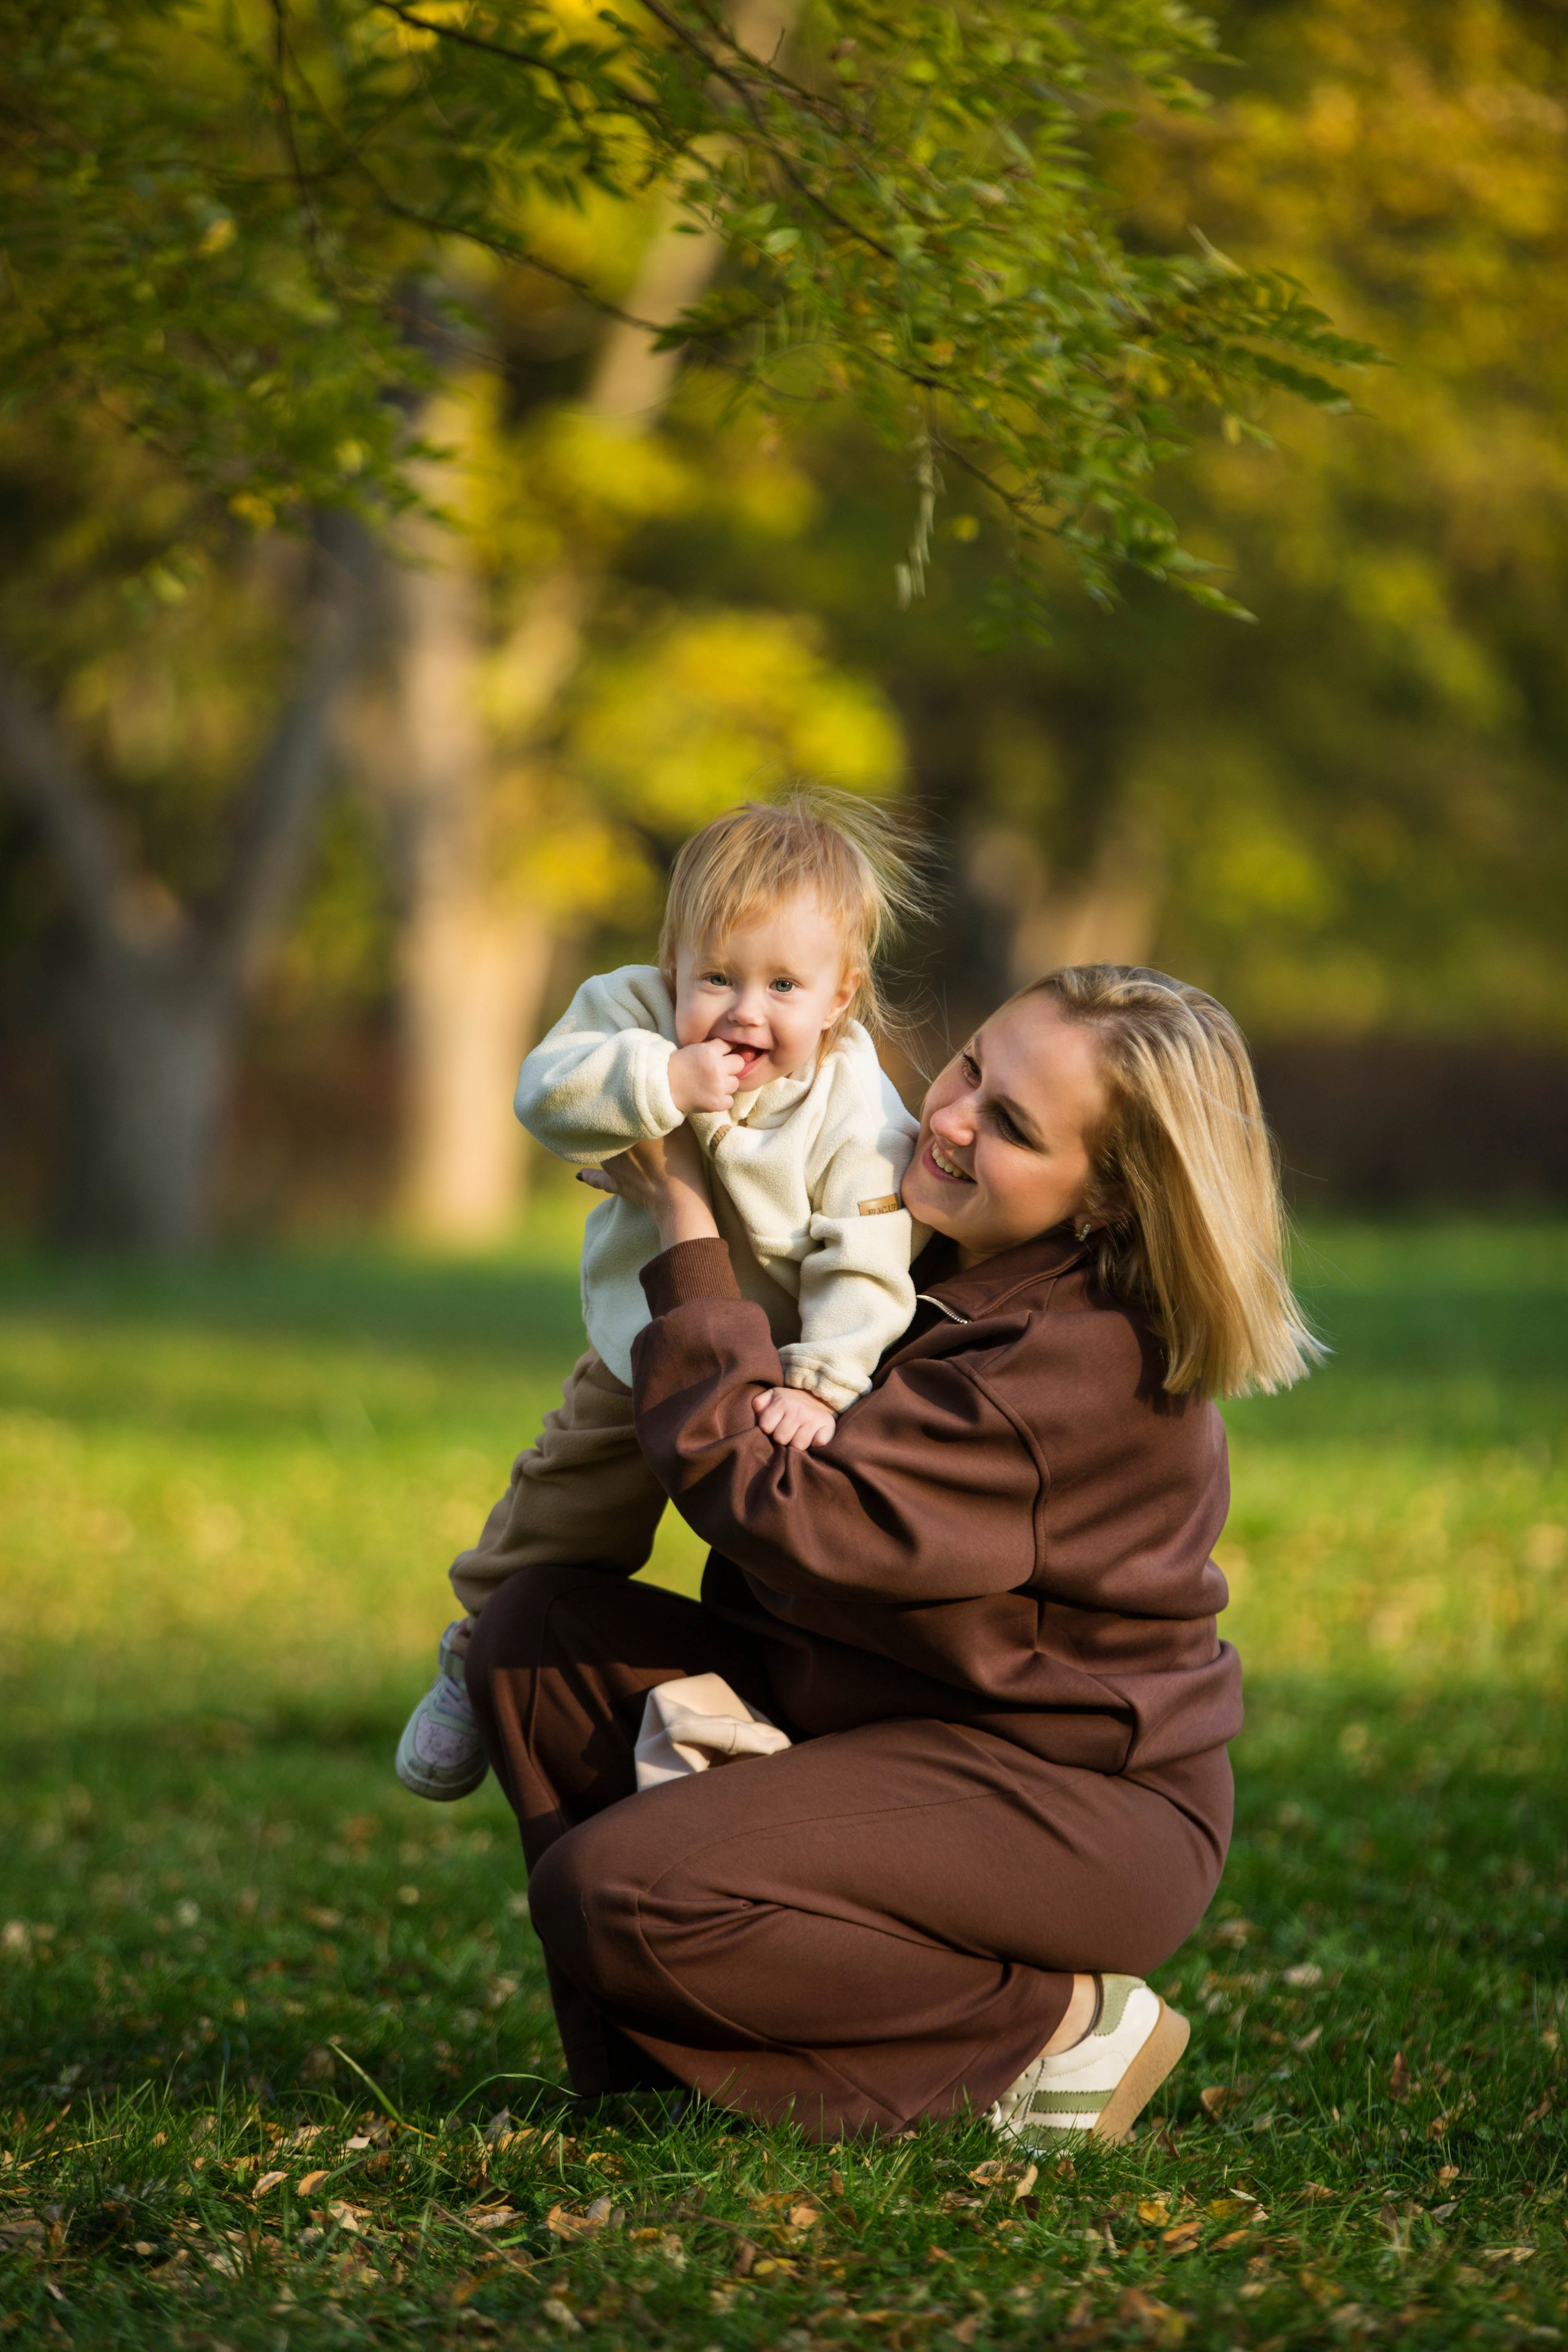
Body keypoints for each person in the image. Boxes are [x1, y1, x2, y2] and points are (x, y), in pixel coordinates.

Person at [465, 963, 1322, 2145]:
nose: (954, 1119)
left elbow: (782, 1510)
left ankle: (1050, 2028)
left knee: (617, 1894)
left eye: (1013, 1126)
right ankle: (665, 2093)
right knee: (538, 1637)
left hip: (1068, 1800)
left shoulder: (1075, 1361)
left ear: (1111, 1200)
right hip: (875, 1715)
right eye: (970, 1068)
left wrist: (684, 1220)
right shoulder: (912, 1238)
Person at [396, 793, 930, 1803]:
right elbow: (546, 1095)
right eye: (717, 976)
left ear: (841, 996)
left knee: (794, 1546)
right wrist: (661, 1085)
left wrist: (823, 1379)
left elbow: (867, 1254)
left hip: (788, 1376)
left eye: (784, 984)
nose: (744, 1010)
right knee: (562, 1502)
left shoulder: (857, 1104)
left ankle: (818, 1711)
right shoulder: (633, 1019)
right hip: (643, 1345)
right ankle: (476, 1645)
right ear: (671, 964)